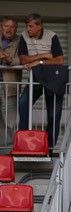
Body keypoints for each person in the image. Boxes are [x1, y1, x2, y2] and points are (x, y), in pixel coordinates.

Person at [17, 13, 66, 147]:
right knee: (23, 104)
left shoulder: (52, 36)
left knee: (53, 115)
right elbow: (23, 59)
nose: (28, 29)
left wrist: (39, 62)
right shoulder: (24, 36)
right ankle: (24, 144)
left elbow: (59, 60)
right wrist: (44, 56)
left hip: (53, 79)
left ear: (39, 26)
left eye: (31, 26)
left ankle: (49, 148)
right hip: (35, 77)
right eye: (27, 26)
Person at [0, 17, 20, 147]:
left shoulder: (20, 41)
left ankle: (8, 150)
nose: (9, 29)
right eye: (6, 26)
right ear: (1, 27)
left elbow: (23, 59)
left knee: (9, 120)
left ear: (16, 29)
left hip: (9, 85)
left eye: (12, 26)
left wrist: (8, 59)